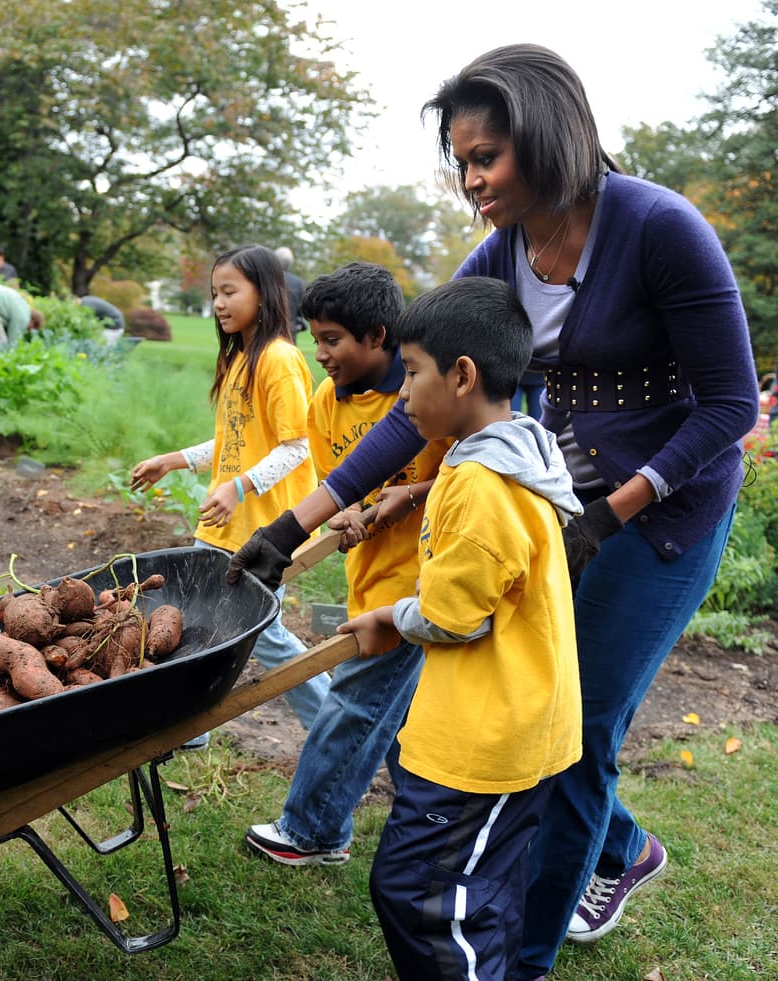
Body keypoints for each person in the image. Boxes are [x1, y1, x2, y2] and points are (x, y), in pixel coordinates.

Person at [228, 44, 757, 980]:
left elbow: (729, 406)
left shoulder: (659, 229)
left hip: (665, 508)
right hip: (563, 494)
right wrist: (290, 525)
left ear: (548, 141)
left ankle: (530, 956)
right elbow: (412, 405)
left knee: (582, 725)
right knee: (535, 704)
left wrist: (614, 514)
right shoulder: (505, 248)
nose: (471, 179)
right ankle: (616, 848)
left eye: (486, 158)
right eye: (463, 161)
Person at [345, 276, 582, 980]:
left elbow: (452, 615)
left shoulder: (482, 485)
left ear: (463, 374)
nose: (403, 392)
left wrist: (391, 615)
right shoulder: (499, 456)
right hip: (507, 723)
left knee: (420, 895)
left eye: (411, 372)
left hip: (484, 743)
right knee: (483, 889)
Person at [245, 261, 448, 866]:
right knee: (396, 719)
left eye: (333, 340)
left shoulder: (426, 400)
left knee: (356, 701)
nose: (321, 353)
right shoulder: (324, 402)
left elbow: (469, 479)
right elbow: (342, 481)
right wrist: (358, 509)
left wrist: (406, 496)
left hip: (417, 579)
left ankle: (313, 830)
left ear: (379, 337)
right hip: (368, 574)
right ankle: (435, 830)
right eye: (315, 338)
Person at [130, 243, 328, 742]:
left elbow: (297, 447)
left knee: (262, 635)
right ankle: (189, 725)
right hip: (227, 523)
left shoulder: (279, 359)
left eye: (229, 291)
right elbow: (235, 437)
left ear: (264, 294)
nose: (218, 303)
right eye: (214, 293)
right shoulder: (243, 356)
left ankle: (332, 721)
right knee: (201, 616)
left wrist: (240, 487)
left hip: (265, 528)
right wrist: (172, 460)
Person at [274, 246, 308, 334]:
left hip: (269, 328)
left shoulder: (267, 280)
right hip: (290, 328)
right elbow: (303, 309)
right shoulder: (299, 283)